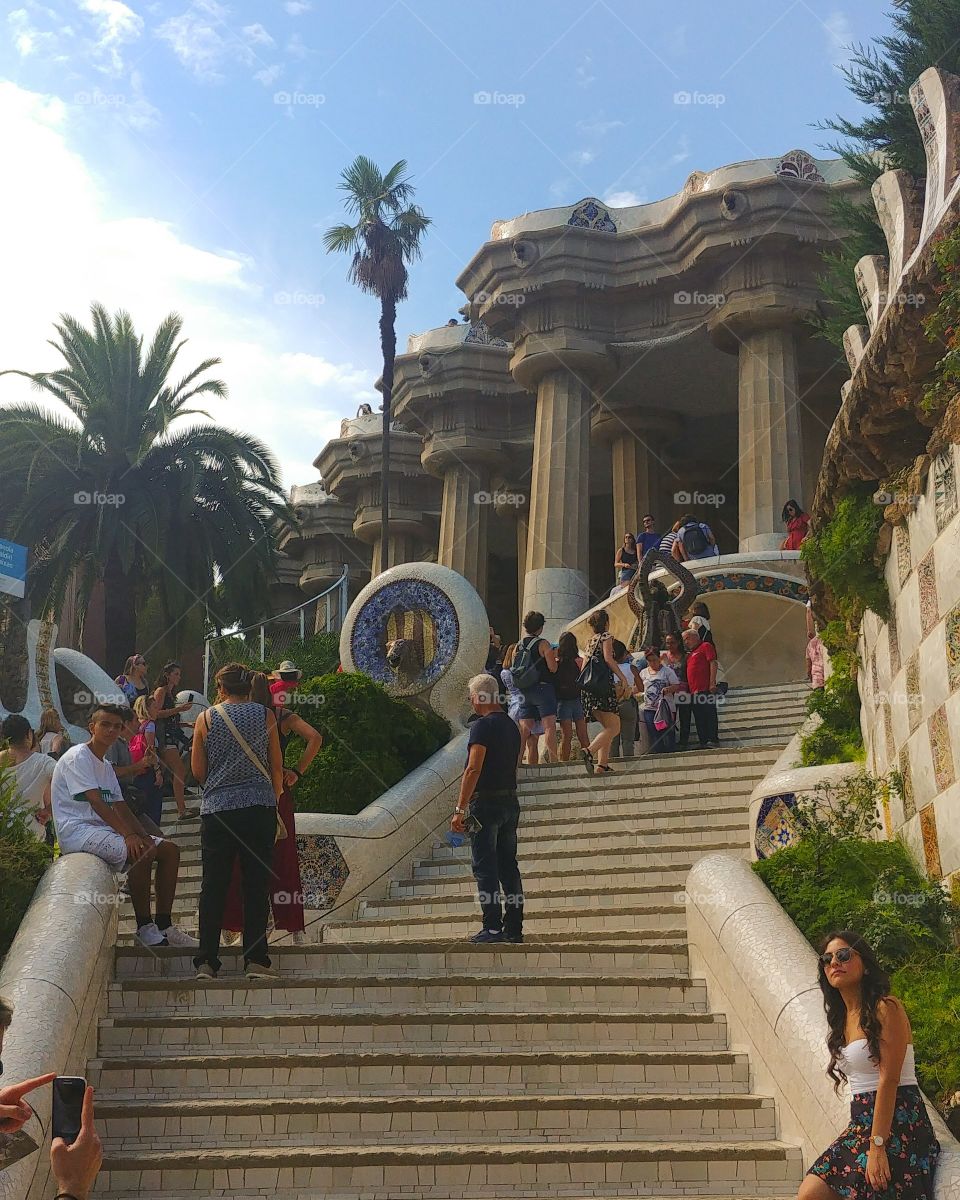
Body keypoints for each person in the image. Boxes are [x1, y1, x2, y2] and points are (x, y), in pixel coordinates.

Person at [800, 930, 939, 1199]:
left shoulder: (886, 1008)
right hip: (862, 1122)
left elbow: (889, 1079)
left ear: (864, 964)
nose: (834, 963)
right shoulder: (842, 1019)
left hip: (900, 1120)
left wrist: (877, 1146)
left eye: (843, 955)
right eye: (827, 959)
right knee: (811, 1191)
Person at [51, 702, 197, 948]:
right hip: (78, 831)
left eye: (117, 726)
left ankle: (164, 925)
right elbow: (97, 801)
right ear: (92, 727)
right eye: (105, 724)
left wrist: (141, 833)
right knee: (141, 851)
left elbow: (120, 805)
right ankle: (144, 927)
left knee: (169, 850)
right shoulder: (78, 757)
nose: (111, 730)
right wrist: (130, 835)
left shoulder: (106, 765)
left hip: (102, 829)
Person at [190, 663, 284, 981]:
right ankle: (255, 959)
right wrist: (274, 797)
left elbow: (198, 771)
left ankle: (206, 961)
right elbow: (276, 765)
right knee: (255, 885)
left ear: (221, 688)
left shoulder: (205, 719)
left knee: (213, 886)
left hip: (218, 810)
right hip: (258, 807)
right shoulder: (265, 715)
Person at [220, 671, 323, 943]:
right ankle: (294, 927)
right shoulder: (281, 716)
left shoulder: (240, 717)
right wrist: (297, 772)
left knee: (239, 858)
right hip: (278, 794)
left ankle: (235, 925)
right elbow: (315, 737)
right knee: (283, 859)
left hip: (245, 793)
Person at [451, 674, 523, 944]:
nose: (471, 701)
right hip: (509, 801)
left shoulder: (482, 726)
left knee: (485, 866)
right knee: (508, 866)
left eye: (472, 696)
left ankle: (491, 926)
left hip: (486, 804)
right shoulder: (511, 726)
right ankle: (514, 927)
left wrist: (460, 809)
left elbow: (473, 767)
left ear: (481, 697)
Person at [579, 608, 634, 775]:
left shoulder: (590, 640)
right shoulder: (606, 637)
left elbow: (584, 665)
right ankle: (589, 751)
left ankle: (602, 765)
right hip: (603, 688)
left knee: (608, 726)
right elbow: (608, 659)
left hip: (590, 689)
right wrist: (622, 678)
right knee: (615, 727)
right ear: (606, 623)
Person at [514, 612, 559, 765]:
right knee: (549, 726)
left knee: (525, 728)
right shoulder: (543, 644)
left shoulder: (518, 645)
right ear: (540, 627)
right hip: (543, 688)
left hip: (525, 690)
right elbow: (552, 668)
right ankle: (554, 762)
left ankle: (518, 761)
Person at [0, 714, 54, 839]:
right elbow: (67, 784)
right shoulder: (43, 762)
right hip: (31, 835)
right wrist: (49, 810)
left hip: (3, 836)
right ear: (29, 734)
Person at [152, 663, 193, 820]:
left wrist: (186, 724)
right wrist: (179, 709)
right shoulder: (161, 691)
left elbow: (169, 719)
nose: (178, 677)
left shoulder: (170, 693)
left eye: (179, 674)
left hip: (172, 735)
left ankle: (170, 807)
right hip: (165, 737)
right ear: (167, 675)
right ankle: (181, 810)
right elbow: (156, 714)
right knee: (179, 770)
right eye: (175, 674)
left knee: (164, 772)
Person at [554, 632, 590, 763]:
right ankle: (588, 760)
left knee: (566, 736)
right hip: (578, 699)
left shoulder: (557, 663)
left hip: (562, 701)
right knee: (583, 735)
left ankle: (564, 763)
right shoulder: (579, 661)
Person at [638, 646, 681, 753]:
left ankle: (671, 752)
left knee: (667, 731)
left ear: (659, 658)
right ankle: (659, 753)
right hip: (649, 708)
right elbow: (638, 687)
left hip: (665, 708)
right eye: (650, 661)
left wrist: (668, 689)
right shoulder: (643, 673)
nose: (652, 663)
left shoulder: (667, 671)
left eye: (654, 660)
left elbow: (676, 685)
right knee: (653, 732)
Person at [682, 628, 719, 747]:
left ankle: (713, 739)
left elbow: (713, 663)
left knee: (709, 714)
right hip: (694, 691)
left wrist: (712, 683)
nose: (686, 642)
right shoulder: (690, 654)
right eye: (684, 640)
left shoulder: (705, 646)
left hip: (705, 689)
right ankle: (703, 741)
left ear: (695, 636)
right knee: (699, 717)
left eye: (687, 638)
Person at [610, 640, 643, 758]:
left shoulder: (608, 669)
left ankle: (613, 763)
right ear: (624, 653)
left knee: (613, 739)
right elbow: (641, 687)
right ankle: (628, 763)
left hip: (612, 705)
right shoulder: (631, 668)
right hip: (627, 704)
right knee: (628, 739)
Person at [663, 632, 692, 751]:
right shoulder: (664, 656)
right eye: (667, 643)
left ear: (678, 642)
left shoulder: (686, 656)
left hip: (683, 691)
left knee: (685, 717)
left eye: (672, 643)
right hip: (670, 692)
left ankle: (684, 741)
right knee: (670, 717)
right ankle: (670, 742)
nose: (670, 645)